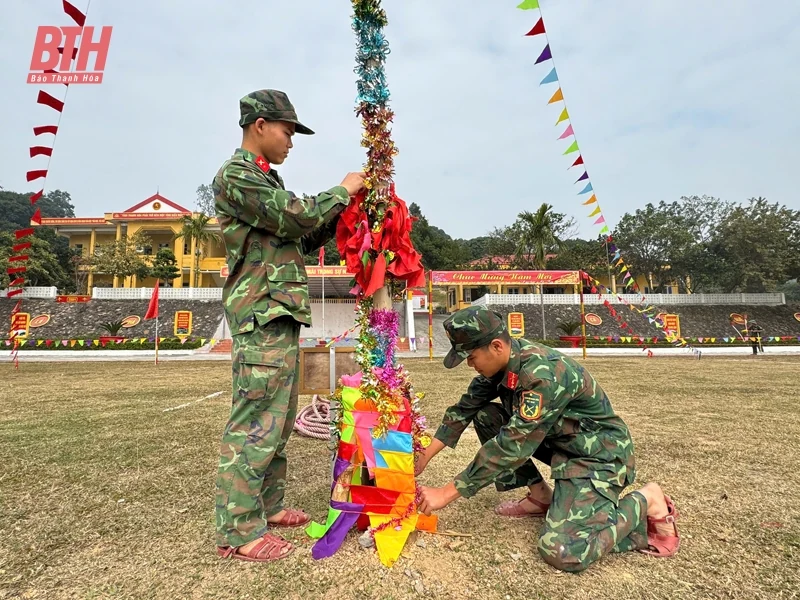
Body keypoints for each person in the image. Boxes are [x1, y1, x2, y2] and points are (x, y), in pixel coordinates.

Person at [212, 89, 366, 563]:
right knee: (255, 419)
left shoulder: (266, 179)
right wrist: (342, 189)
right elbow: (295, 217)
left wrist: (346, 208)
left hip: (277, 312)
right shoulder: (237, 176)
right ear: (260, 124)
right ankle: (238, 531)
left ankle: (270, 507)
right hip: (260, 312)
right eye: (288, 130)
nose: (292, 141)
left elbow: (303, 232)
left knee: (276, 422)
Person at [416, 306, 680, 573]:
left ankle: (648, 499)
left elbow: (513, 444)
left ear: (496, 346)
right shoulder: (501, 367)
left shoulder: (541, 374)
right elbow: (464, 410)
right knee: (487, 416)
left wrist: (445, 493)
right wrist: (425, 454)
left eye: (471, 357)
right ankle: (541, 496)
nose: (470, 365)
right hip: (562, 445)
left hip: (598, 457)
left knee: (563, 552)